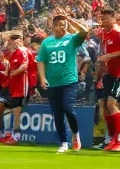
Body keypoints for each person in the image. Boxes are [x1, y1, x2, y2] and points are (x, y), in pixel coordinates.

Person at [36, 13, 89, 153]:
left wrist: (71, 20)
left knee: (68, 108)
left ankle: (75, 134)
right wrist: (42, 78)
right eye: (60, 24)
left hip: (69, 80)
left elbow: (84, 31)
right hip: (53, 83)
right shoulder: (47, 42)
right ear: (53, 26)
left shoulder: (71, 39)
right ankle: (63, 142)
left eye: (64, 24)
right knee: (57, 113)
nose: (63, 26)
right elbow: (40, 60)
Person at [95, 7, 120, 152]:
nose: (103, 21)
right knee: (105, 106)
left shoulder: (118, 31)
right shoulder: (104, 34)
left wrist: (109, 57)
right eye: (101, 18)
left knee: (112, 103)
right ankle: (112, 139)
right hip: (110, 73)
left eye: (105, 18)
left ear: (113, 18)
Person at [0, 32, 31, 144]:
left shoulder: (22, 51)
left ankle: (16, 136)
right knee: (14, 111)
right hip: (14, 86)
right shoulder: (15, 53)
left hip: (21, 85)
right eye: (11, 40)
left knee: (16, 111)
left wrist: (14, 73)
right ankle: (11, 134)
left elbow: (25, 66)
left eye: (14, 40)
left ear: (20, 40)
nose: (12, 43)